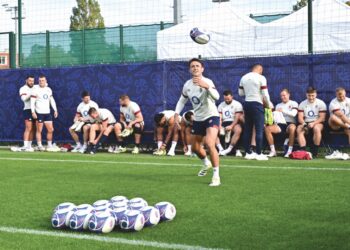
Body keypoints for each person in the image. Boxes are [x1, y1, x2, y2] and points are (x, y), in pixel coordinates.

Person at [174, 58, 221, 187]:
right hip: (198, 118)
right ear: (190, 69)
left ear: (202, 69)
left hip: (212, 116)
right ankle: (206, 163)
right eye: (192, 66)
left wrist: (206, 87)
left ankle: (216, 176)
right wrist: (176, 114)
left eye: (197, 66)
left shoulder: (208, 81)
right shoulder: (187, 85)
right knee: (195, 148)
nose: (195, 68)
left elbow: (217, 97)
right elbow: (182, 101)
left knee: (210, 143)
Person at [239, 64, 271, 160]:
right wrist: (268, 105)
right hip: (257, 104)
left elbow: (240, 93)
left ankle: (248, 153)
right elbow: (265, 94)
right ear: (260, 70)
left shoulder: (243, 77)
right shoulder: (261, 77)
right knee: (259, 129)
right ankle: (259, 153)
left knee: (247, 129)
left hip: (247, 104)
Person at [265, 89, 298, 158]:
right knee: (267, 129)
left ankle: (289, 151)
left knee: (292, 128)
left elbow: (294, 114)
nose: (283, 97)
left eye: (284, 95)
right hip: (280, 124)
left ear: (288, 95)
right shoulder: (278, 105)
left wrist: (283, 110)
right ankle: (273, 151)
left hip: (290, 123)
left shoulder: (294, 103)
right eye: (281, 96)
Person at [296, 87, 327, 157]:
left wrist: (313, 123)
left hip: (318, 122)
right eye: (309, 95)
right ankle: (303, 151)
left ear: (316, 95)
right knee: (299, 128)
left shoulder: (321, 103)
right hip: (306, 122)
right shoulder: (302, 104)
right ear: (306, 95)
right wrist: (304, 124)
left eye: (312, 95)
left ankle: (314, 152)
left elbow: (322, 118)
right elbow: (300, 118)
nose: (311, 97)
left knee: (316, 128)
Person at [31, 75, 58, 151]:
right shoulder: (35, 90)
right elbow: (32, 102)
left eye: (42, 80)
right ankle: (40, 145)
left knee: (50, 130)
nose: (41, 82)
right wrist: (33, 112)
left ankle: (49, 146)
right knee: (39, 130)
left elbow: (51, 100)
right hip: (39, 113)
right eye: (40, 80)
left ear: (46, 81)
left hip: (47, 113)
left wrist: (55, 110)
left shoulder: (49, 89)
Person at [217, 90, 244, 156]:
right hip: (224, 122)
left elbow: (237, 118)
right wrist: (220, 126)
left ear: (232, 97)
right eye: (225, 99)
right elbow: (220, 118)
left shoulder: (237, 104)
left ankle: (231, 149)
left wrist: (231, 126)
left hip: (234, 122)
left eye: (228, 99)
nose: (227, 100)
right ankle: (221, 149)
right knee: (213, 130)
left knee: (238, 130)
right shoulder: (221, 105)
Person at [13, 75, 36, 152]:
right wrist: (31, 94)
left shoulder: (35, 87)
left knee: (33, 129)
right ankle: (25, 146)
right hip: (27, 110)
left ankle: (29, 146)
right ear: (26, 80)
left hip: (37, 110)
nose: (31, 82)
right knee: (28, 128)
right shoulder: (23, 88)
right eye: (30, 81)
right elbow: (24, 99)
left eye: (32, 81)